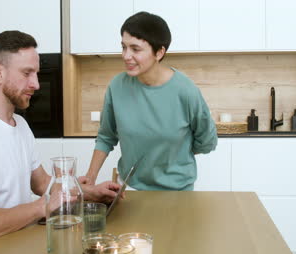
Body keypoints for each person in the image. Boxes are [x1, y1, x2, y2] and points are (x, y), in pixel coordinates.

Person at [0, 30, 121, 254]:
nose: (36, 84)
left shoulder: (19, 125)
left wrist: (90, 192)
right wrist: (42, 207)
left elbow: (42, 184)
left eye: (36, 74)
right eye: (27, 73)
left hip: (14, 244)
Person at [81, 12, 217, 191]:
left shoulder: (185, 91)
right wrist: (90, 177)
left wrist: (176, 156)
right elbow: (106, 137)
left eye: (135, 49)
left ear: (159, 52)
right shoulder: (117, 87)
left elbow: (207, 141)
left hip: (177, 192)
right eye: (124, 47)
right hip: (130, 189)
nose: (126, 55)